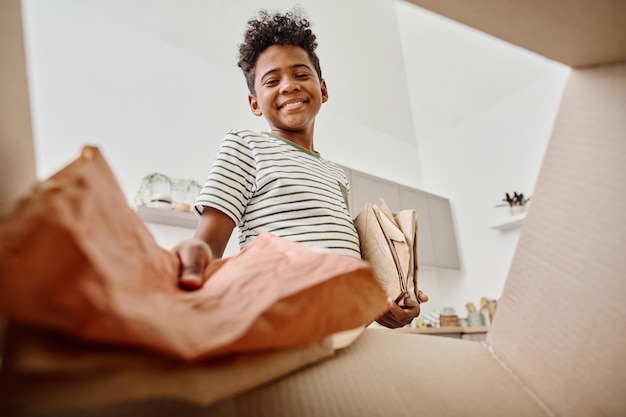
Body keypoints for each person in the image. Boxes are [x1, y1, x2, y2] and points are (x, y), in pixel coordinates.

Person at [172, 7, 427, 328]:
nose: (289, 85)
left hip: (350, 329)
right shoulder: (245, 146)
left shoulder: (336, 174)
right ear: (254, 103)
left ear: (323, 89)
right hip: (281, 322)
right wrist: (190, 266)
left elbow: (340, 254)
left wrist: (384, 303)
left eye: (301, 74)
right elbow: (207, 244)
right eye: (272, 80)